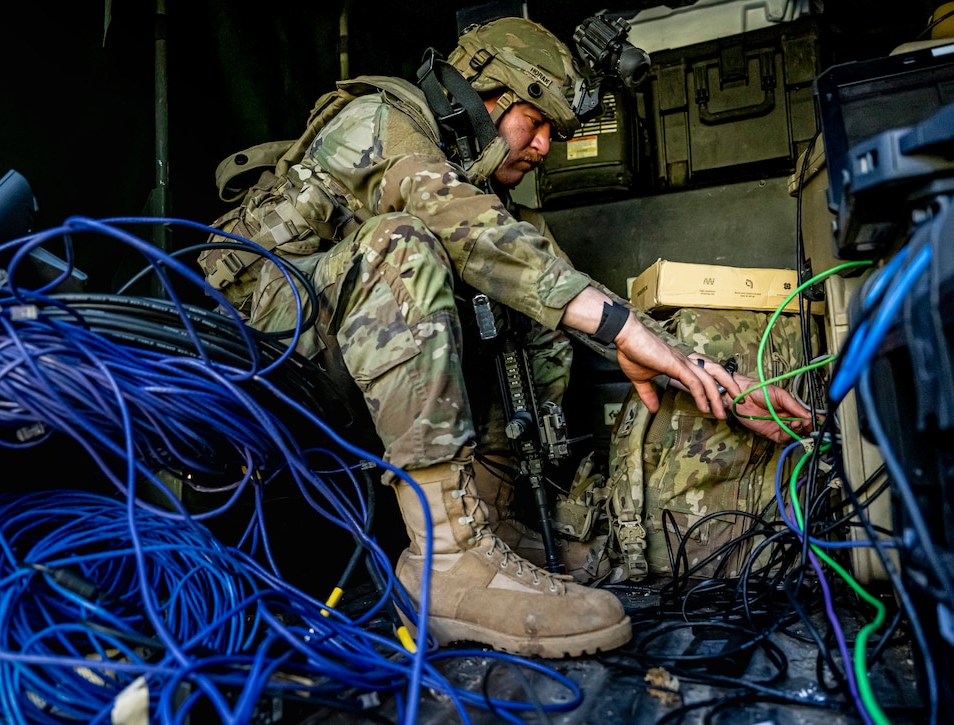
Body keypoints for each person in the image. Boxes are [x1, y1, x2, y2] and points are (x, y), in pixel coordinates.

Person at [197, 16, 813, 659]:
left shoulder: (489, 193)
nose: (546, 145)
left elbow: (556, 287)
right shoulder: (380, 121)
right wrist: (625, 329)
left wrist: (693, 368)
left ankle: (490, 520)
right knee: (401, 246)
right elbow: (464, 226)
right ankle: (444, 558)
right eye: (536, 122)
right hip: (263, 343)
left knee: (529, 305)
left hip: (341, 342)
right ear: (487, 96)